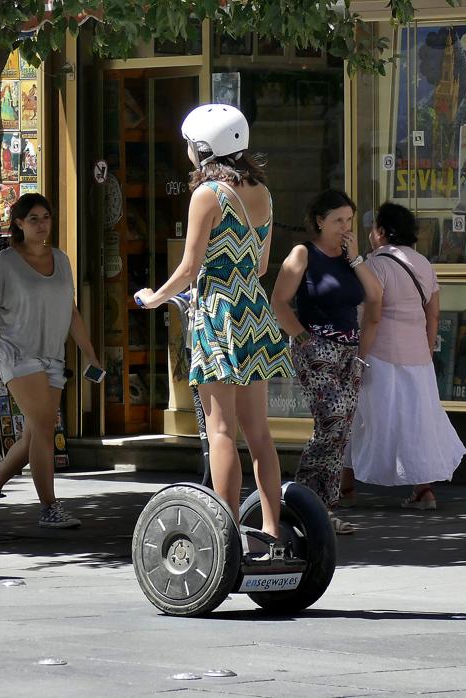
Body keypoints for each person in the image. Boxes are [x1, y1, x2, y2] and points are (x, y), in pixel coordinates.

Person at [134, 104, 293, 554]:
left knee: (222, 431)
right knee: (259, 432)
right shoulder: (261, 191)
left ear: (203, 148)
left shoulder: (208, 193)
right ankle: (271, 531)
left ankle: (225, 539)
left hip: (219, 312)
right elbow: (261, 264)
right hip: (253, 311)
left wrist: (155, 297)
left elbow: (188, 268)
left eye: (190, 144)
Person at [0, 193, 99, 529]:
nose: (42, 225)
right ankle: (49, 507)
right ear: (18, 223)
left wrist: (89, 353)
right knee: (45, 428)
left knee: (33, 436)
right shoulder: (6, 263)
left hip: (53, 357)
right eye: (33, 219)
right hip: (18, 355)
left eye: (46, 217)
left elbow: (70, 311)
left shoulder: (62, 259)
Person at [271, 189, 383, 534]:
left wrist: (356, 259)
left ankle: (317, 509)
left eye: (349, 220)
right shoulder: (303, 254)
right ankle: (301, 500)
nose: (345, 227)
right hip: (317, 349)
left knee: (338, 433)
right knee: (332, 423)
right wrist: (303, 338)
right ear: (320, 221)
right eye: (338, 220)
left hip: (349, 352)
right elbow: (279, 301)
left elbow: (376, 296)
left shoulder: (350, 261)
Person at [347, 203, 466, 510]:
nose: (371, 234)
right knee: (416, 421)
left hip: (380, 353)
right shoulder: (424, 264)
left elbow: (371, 317)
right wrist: (426, 351)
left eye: (374, 228)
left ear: (382, 232)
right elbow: (434, 313)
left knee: (360, 416)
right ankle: (424, 490)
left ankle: (345, 486)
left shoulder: (375, 265)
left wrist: (359, 356)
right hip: (418, 356)